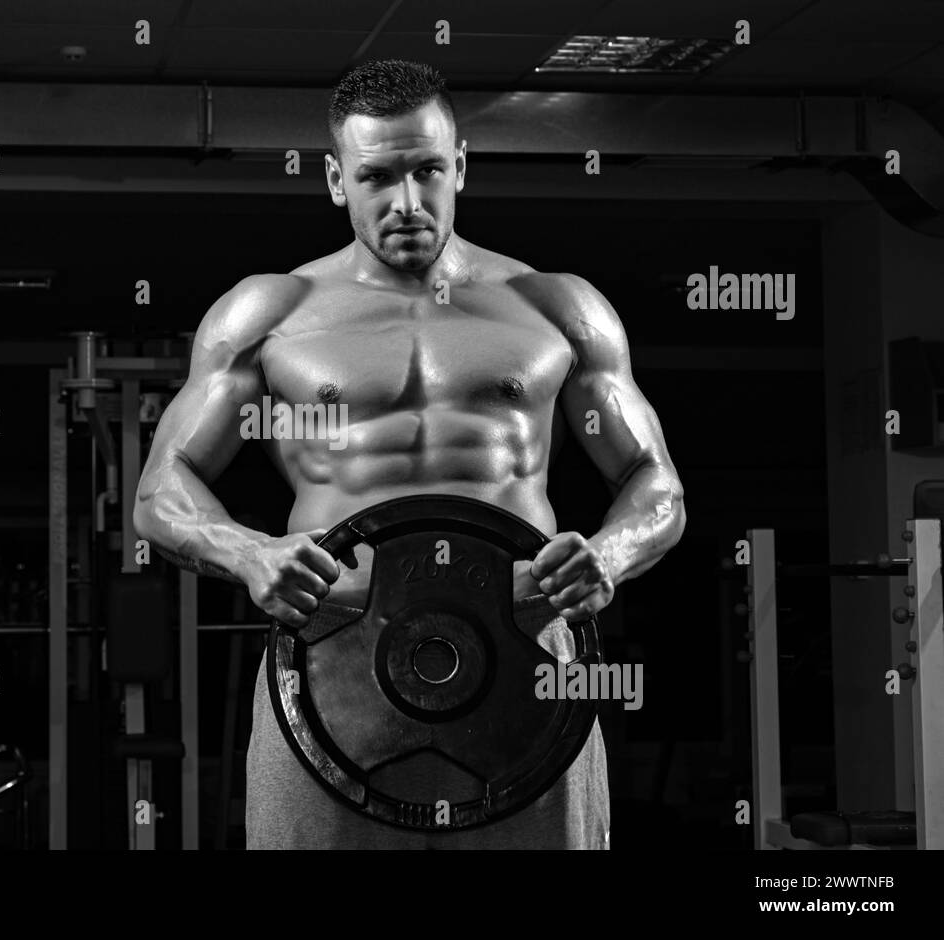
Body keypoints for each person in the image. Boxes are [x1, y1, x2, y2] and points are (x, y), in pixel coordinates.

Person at [133, 59, 686, 849]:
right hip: (332, 656)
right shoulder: (270, 313)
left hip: (524, 650)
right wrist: (250, 554)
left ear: (459, 165)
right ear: (337, 180)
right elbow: (160, 492)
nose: (407, 202)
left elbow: (655, 485)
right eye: (377, 176)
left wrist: (609, 554)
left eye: (427, 170)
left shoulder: (555, 307)